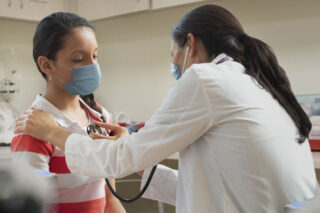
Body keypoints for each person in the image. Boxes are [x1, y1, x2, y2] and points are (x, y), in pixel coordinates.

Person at [15, 5, 318, 213]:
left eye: (174, 58)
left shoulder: (205, 79)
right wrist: (130, 149)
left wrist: (55, 133)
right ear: (46, 64)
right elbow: (200, 185)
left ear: (191, 44)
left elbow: (112, 180)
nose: (175, 68)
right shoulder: (255, 80)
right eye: (80, 59)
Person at [11, 12, 126, 213]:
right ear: (46, 65)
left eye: (95, 56)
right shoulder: (32, 128)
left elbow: (110, 199)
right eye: (79, 59)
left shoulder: (100, 116)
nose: (93, 66)